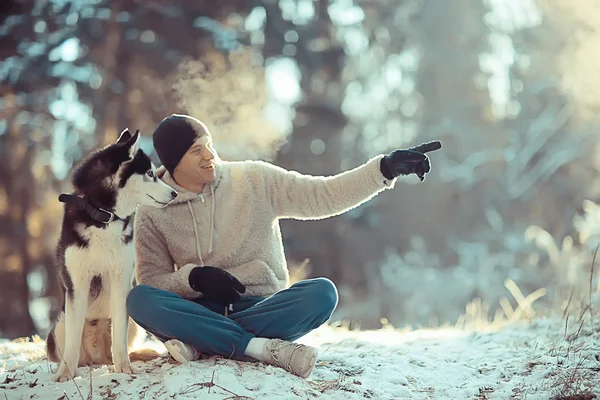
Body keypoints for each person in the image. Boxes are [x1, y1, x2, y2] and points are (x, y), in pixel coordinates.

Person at [126, 114, 441, 379]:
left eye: (210, 145)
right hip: (198, 309)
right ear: (173, 161)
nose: (210, 156)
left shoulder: (254, 179)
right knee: (140, 300)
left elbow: (323, 195)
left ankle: (201, 343)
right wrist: (193, 279)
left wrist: (383, 169)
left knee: (321, 293)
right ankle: (258, 347)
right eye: (197, 150)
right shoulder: (153, 207)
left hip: (262, 307)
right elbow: (152, 280)